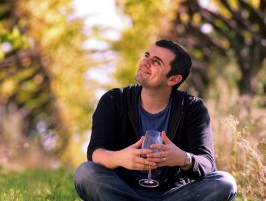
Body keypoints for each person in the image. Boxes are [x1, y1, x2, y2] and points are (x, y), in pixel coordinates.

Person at [74, 39, 237, 201]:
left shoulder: (193, 108)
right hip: (124, 190)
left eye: (156, 62)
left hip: (174, 195)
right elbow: (95, 152)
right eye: (147, 55)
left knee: (225, 182)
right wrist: (121, 158)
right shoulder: (114, 100)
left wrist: (183, 158)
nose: (145, 62)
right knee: (86, 173)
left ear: (173, 79)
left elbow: (207, 164)